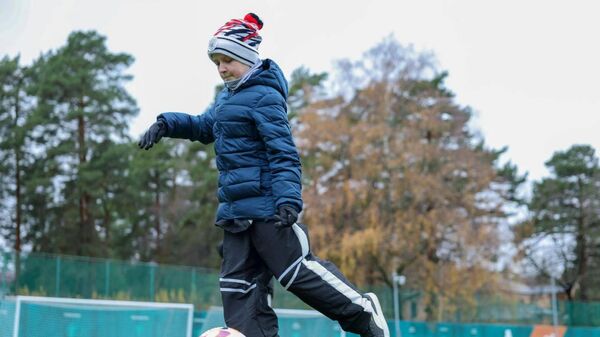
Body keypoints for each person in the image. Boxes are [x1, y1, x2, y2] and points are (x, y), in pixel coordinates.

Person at [138, 13, 389, 337]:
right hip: (235, 215)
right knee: (238, 290)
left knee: (295, 272)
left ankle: (362, 311)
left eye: (227, 60)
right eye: (216, 62)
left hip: (268, 209)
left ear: (246, 56)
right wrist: (167, 123)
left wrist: (288, 200)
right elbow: (203, 127)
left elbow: (283, 153)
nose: (221, 68)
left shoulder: (265, 97)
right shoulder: (226, 98)